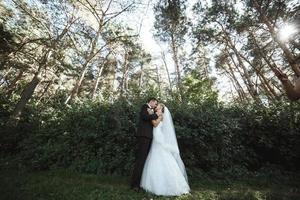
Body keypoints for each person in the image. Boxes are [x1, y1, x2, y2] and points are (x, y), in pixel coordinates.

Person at [140, 103, 190, 196]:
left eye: (158, 105)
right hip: (155, 139)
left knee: (163, 158)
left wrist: (157, 116)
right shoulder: (155, 114)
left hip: (159, 139)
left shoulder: (162, 115)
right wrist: (154, 115)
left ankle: (171, 185)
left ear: (161, 108)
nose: (157, 106)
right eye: (157, 104)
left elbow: (155, 124)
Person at [130, 97, 158, 191]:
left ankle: (139, 183)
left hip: (148, 137)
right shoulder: (145, 107)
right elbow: (145, 117)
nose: (155, 105)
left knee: (143, 160)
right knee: (140, 160)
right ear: (151, 101)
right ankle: (135, 185)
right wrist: (156, 115)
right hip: (143, 136)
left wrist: (154, 114)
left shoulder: (150, 110)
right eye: (155, 103)